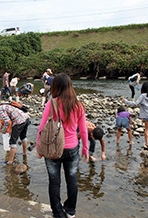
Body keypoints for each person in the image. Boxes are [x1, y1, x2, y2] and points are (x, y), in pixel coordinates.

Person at [36, 73, 89, 218]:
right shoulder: (78, 105)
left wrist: (38, 148)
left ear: (55, 87)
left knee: (54, 182)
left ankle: (58, 213)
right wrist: (85, 148)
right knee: (72, 180)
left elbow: (41, 128)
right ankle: (70, 211)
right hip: (71, 148)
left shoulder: (51, 103)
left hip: (52, 148)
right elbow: (83, 130)